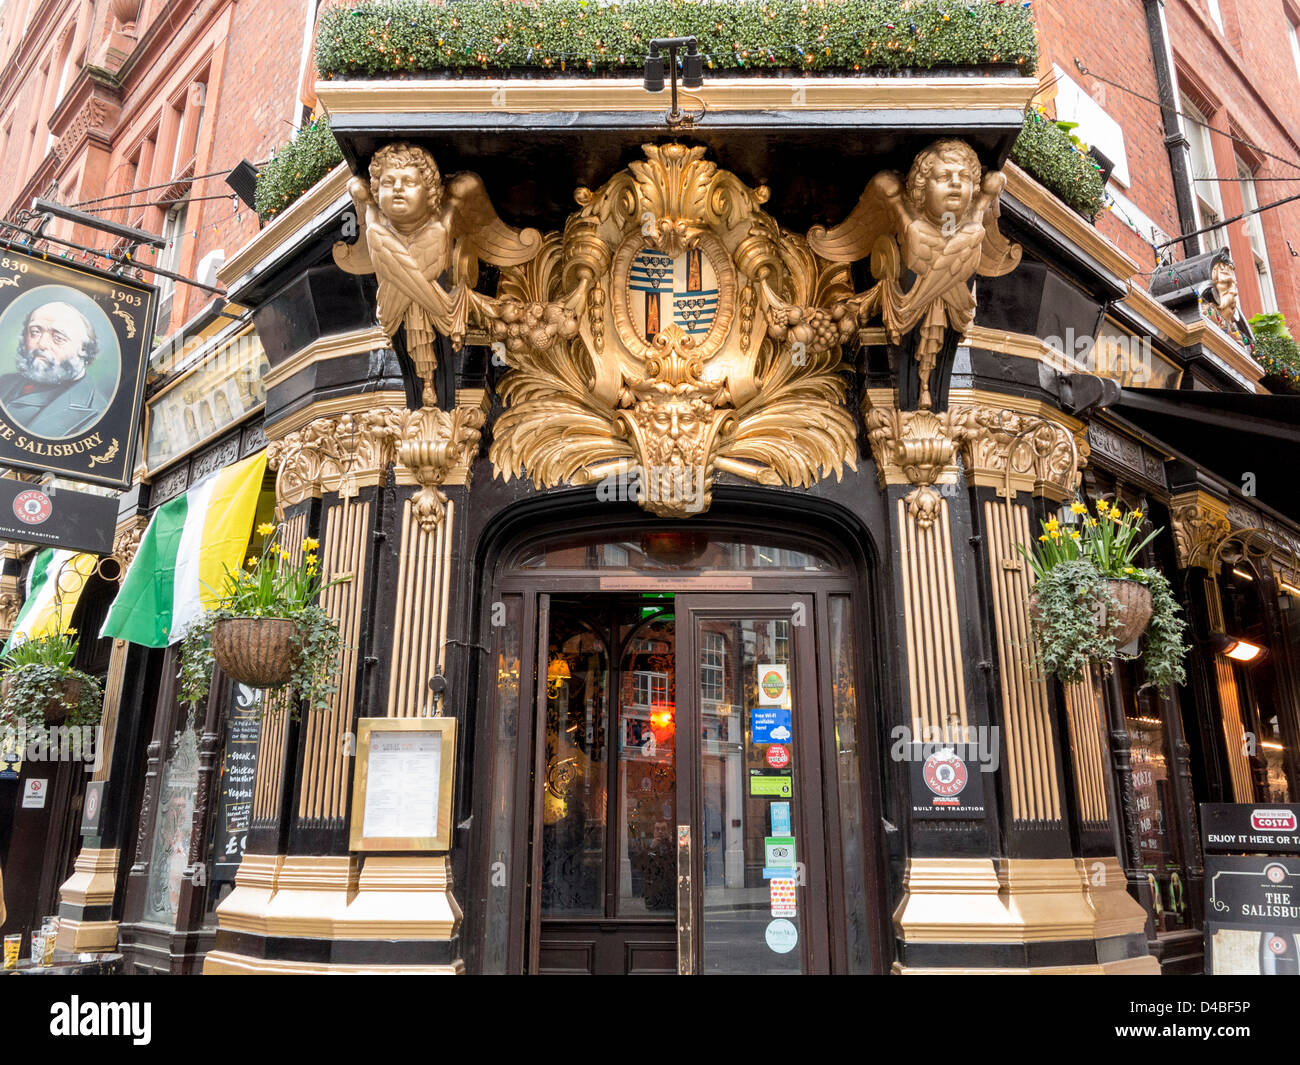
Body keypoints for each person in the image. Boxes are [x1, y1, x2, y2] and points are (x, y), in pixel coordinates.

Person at [0, 300, 108, 438]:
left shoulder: (96, 413)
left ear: (83, 348)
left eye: (58, 337)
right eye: (35, 332)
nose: (42, 344)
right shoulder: (5, 382)